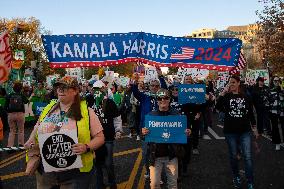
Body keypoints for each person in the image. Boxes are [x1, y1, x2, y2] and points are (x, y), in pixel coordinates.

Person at [24, 76, 105, 189]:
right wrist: (31, 138)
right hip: (47, 172)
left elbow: (100, 137)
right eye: (58, 87)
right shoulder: (48, 108)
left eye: (65, 87)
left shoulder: (86, 111)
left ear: (76, 91)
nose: (60, 90)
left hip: (75, 174)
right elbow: (37, 126)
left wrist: (87, 147)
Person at [142, 89, 190, 189]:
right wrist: (143, 133)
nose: (162, 100)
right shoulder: (151, 116)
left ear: (170, 99)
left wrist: (187, 133)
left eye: (166, 98)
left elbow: (184, 134)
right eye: (160, 98)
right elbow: (144, 136)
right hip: (155, 156)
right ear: (156, 100)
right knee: (154, 184)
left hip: (171, 155)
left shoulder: (177, 115)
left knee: (172, 184)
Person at [215, 75, 258, 189]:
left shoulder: (246, 97)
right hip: (230, 132)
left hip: (245, 131)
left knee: (248, 157)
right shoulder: (227, 96)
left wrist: (254, 128)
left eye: (233, 82)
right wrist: (222, 93)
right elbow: (217, 107)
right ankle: (236, 176)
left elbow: (250, 114)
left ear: (239, 83)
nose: (231, 84)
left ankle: (250, 180)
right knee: (233, 156)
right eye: (230, 83)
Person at [92, 80, 123, 189]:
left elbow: (117, 118)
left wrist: (118, 130)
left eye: (99, 89)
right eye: (95, 89)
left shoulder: (110, 103)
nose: (97, 92)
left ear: (103, 90)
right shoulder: (89, 102)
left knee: (108, 164)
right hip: (94, 139)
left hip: (108, 138)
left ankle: (112, 184)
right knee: (97, 164)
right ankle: (99, 185)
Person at [5, 81, 29, 147]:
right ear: (21, 89)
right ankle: (21, 144)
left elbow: (5, 106)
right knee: (21, 130)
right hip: (20, 114)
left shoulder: (9, 95)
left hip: (11, 114)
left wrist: (9, 113)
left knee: (12, 130)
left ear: (13, 88)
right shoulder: (21, 95)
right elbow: (26, 101)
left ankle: (9, 146)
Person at [268, 76, 284, 151]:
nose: (277, 82)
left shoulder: (282, 90)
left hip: (282, 111)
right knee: (275, 127)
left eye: (278, 80)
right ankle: (277, 143)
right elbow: (266, 101)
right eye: (275, 81)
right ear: (273, 82)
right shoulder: (270, 90)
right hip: (273, 111)